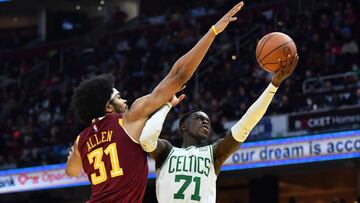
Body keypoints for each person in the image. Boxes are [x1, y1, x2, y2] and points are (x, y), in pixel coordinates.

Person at [65, 2, 245, 203]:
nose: (124, 100)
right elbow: (178, 75)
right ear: (108, 107)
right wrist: (212, 32)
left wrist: (75, 151)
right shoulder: (128, 119)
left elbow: (71, 171)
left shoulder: (82, 140)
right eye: (118, 97)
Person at [139, 54, 299, 202]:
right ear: (183, 126)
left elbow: (246, 125)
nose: (205, 122)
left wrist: (274, 85)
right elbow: (146, 138)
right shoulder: (167, 151)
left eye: (208, 121)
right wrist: (167, 105)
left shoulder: (213, 153)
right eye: (199, 118)